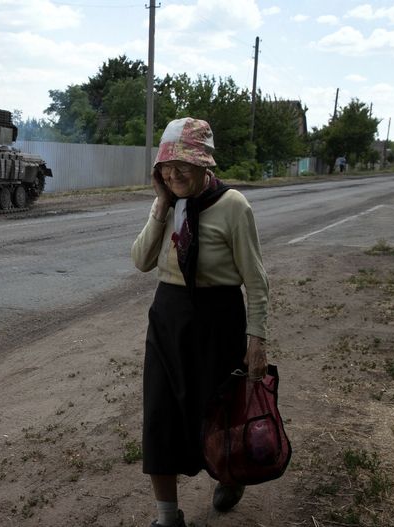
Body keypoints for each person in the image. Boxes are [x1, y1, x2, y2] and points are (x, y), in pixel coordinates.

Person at [131, 117, 269, 526]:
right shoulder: (168, 202)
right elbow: (140, 261)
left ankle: (231, 473)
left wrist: (256, 339)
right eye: (166, 169)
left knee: (218, 415)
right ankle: (167, 516)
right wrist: (160, 205)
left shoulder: (233, 206)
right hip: (168, 318)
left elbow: (256, 280)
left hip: (218, 319)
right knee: (160, 413)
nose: (173, 175)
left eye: (182, 168)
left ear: (205, 166)